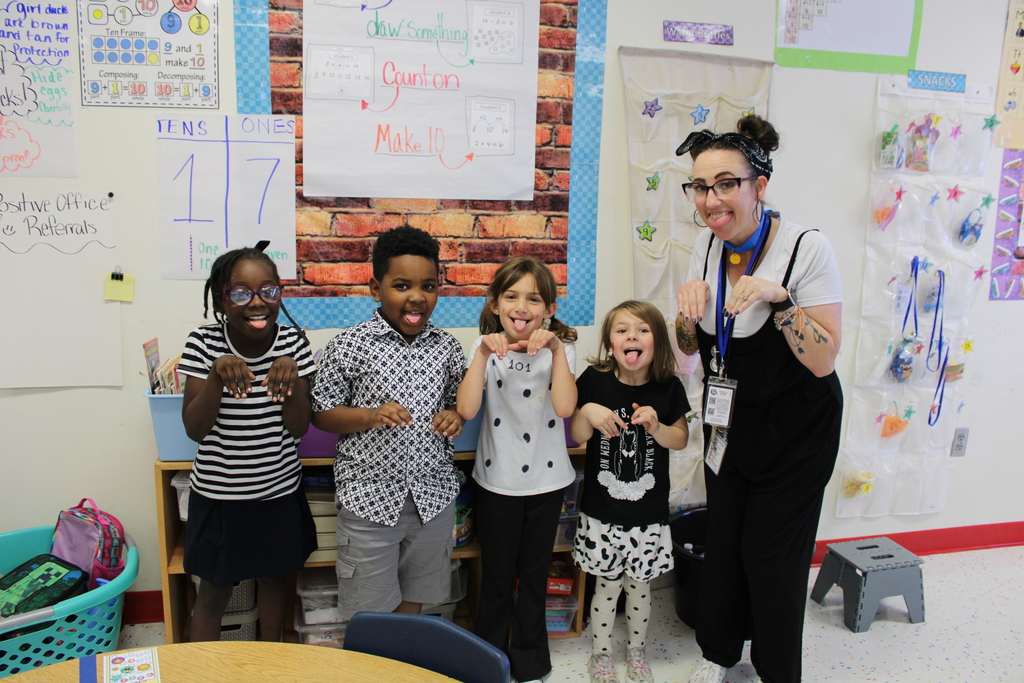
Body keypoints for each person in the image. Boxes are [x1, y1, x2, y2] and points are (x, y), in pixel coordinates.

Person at [673, 115, 843, 683]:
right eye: (699, 186)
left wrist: (782, 300)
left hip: (797, 429)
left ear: (759, 186)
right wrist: (685, 318)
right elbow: (690, 349)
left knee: (773, 560)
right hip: (731, 423)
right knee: (725, 548)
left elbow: (823, 360)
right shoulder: (704, 244)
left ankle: (776, 672)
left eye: (726, 183)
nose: (710, 200)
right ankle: (721, 658)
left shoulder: (805, 248)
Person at [311, 226, 466, 621]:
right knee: (368, 612)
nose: (417, 296)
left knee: (415, 602)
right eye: (401, 285)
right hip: (368, 502)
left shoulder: (447, 347)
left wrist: (457, 416)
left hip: (432, 499)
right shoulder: (349, 344)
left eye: (428, 286)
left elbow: (458, 404)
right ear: (375, 289)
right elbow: (322, 412)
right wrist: (370, 415)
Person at [179, 244, 317, 642]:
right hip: (220, 498)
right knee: (215, 591)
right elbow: (195, 429)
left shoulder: (293, 343)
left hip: (277, 494)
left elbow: (298, 429)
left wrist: (290, 383)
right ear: (222, 301)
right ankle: (200, 670)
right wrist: (216, 378)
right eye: (241, 293)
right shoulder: (204, 343)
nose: (257, 303)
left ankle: (271, 663)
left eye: (268, 291)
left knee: (275, 582)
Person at [456, 257, 578, 683]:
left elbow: (564, 409)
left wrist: (557, 350)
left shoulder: (560, 351)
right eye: (511, 296)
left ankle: (530, 662)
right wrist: (485, 353)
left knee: (533, 577)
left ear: (549, 309)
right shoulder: (483, 349)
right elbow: (467, 409)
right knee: (495, 577)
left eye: (533, 299)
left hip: (547, 483)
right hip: (497, 481)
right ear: (494, 303)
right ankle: (490, 658)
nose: (521, 307)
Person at [570, 300, 690, 683]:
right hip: (602, 514)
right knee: (605, 588)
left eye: (642, 330)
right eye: (622, 330)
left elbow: (681, 440)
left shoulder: (669, 387)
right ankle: (601, 653)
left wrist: (656, 427)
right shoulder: (594, 379)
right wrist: (587, 410)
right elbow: (576, 434)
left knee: (640, 589)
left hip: (647, 517)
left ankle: (637, 651)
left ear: (656, 342)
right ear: (610, 342)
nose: (632, 336)